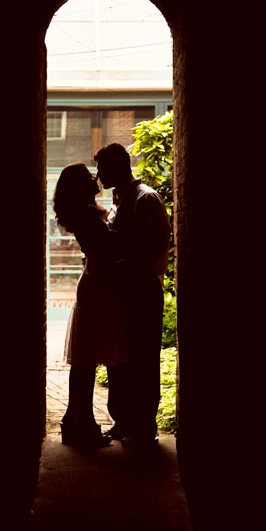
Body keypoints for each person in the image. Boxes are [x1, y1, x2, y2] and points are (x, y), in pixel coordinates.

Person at [94, 142, 172, 447]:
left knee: (143, 359)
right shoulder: (120, 198)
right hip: (122, 292)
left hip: (140, 292)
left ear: (117, 167)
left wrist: (116, 265)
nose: (98, 174)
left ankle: (144, 427)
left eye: (102, 168)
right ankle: (124, 421)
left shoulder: (146, 199)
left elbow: (153, 249)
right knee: (121, 359)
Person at [53, 162, 128, 448]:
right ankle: (79, 424)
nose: (94, 177)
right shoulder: (86, 215)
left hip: (96, 284)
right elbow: (109, 248)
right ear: (80, 185)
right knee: (86, 361)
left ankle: (77, 422)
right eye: (88, 176)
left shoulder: (84, 213)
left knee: (86, 360)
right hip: (98, 287)